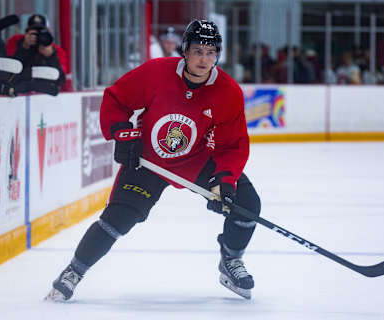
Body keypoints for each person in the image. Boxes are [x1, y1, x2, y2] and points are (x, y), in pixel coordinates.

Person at [45, 19, 261, 301]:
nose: (204, 59)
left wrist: (225, 180)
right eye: (198, 51)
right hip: (148, 162)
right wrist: (122, 133)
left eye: (210, 52)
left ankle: (230, 260)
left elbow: (233, 144)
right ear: (185, 51)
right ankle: (74, 271)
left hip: (196, 161)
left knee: (247, 205)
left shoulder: (228, 91)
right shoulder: (157, 72)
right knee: (118, 219)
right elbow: (116, 100)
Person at [5, 14, 66, 95]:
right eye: (34, 32)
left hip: (44, 94)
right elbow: (8, 70)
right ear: (26, 32)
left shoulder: (55, 50)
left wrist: (51, 56)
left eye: (40, 32)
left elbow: (61, 79)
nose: (37, 37)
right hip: (18, 90)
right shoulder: (16, 41)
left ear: (47, 32)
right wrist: (24, 47)